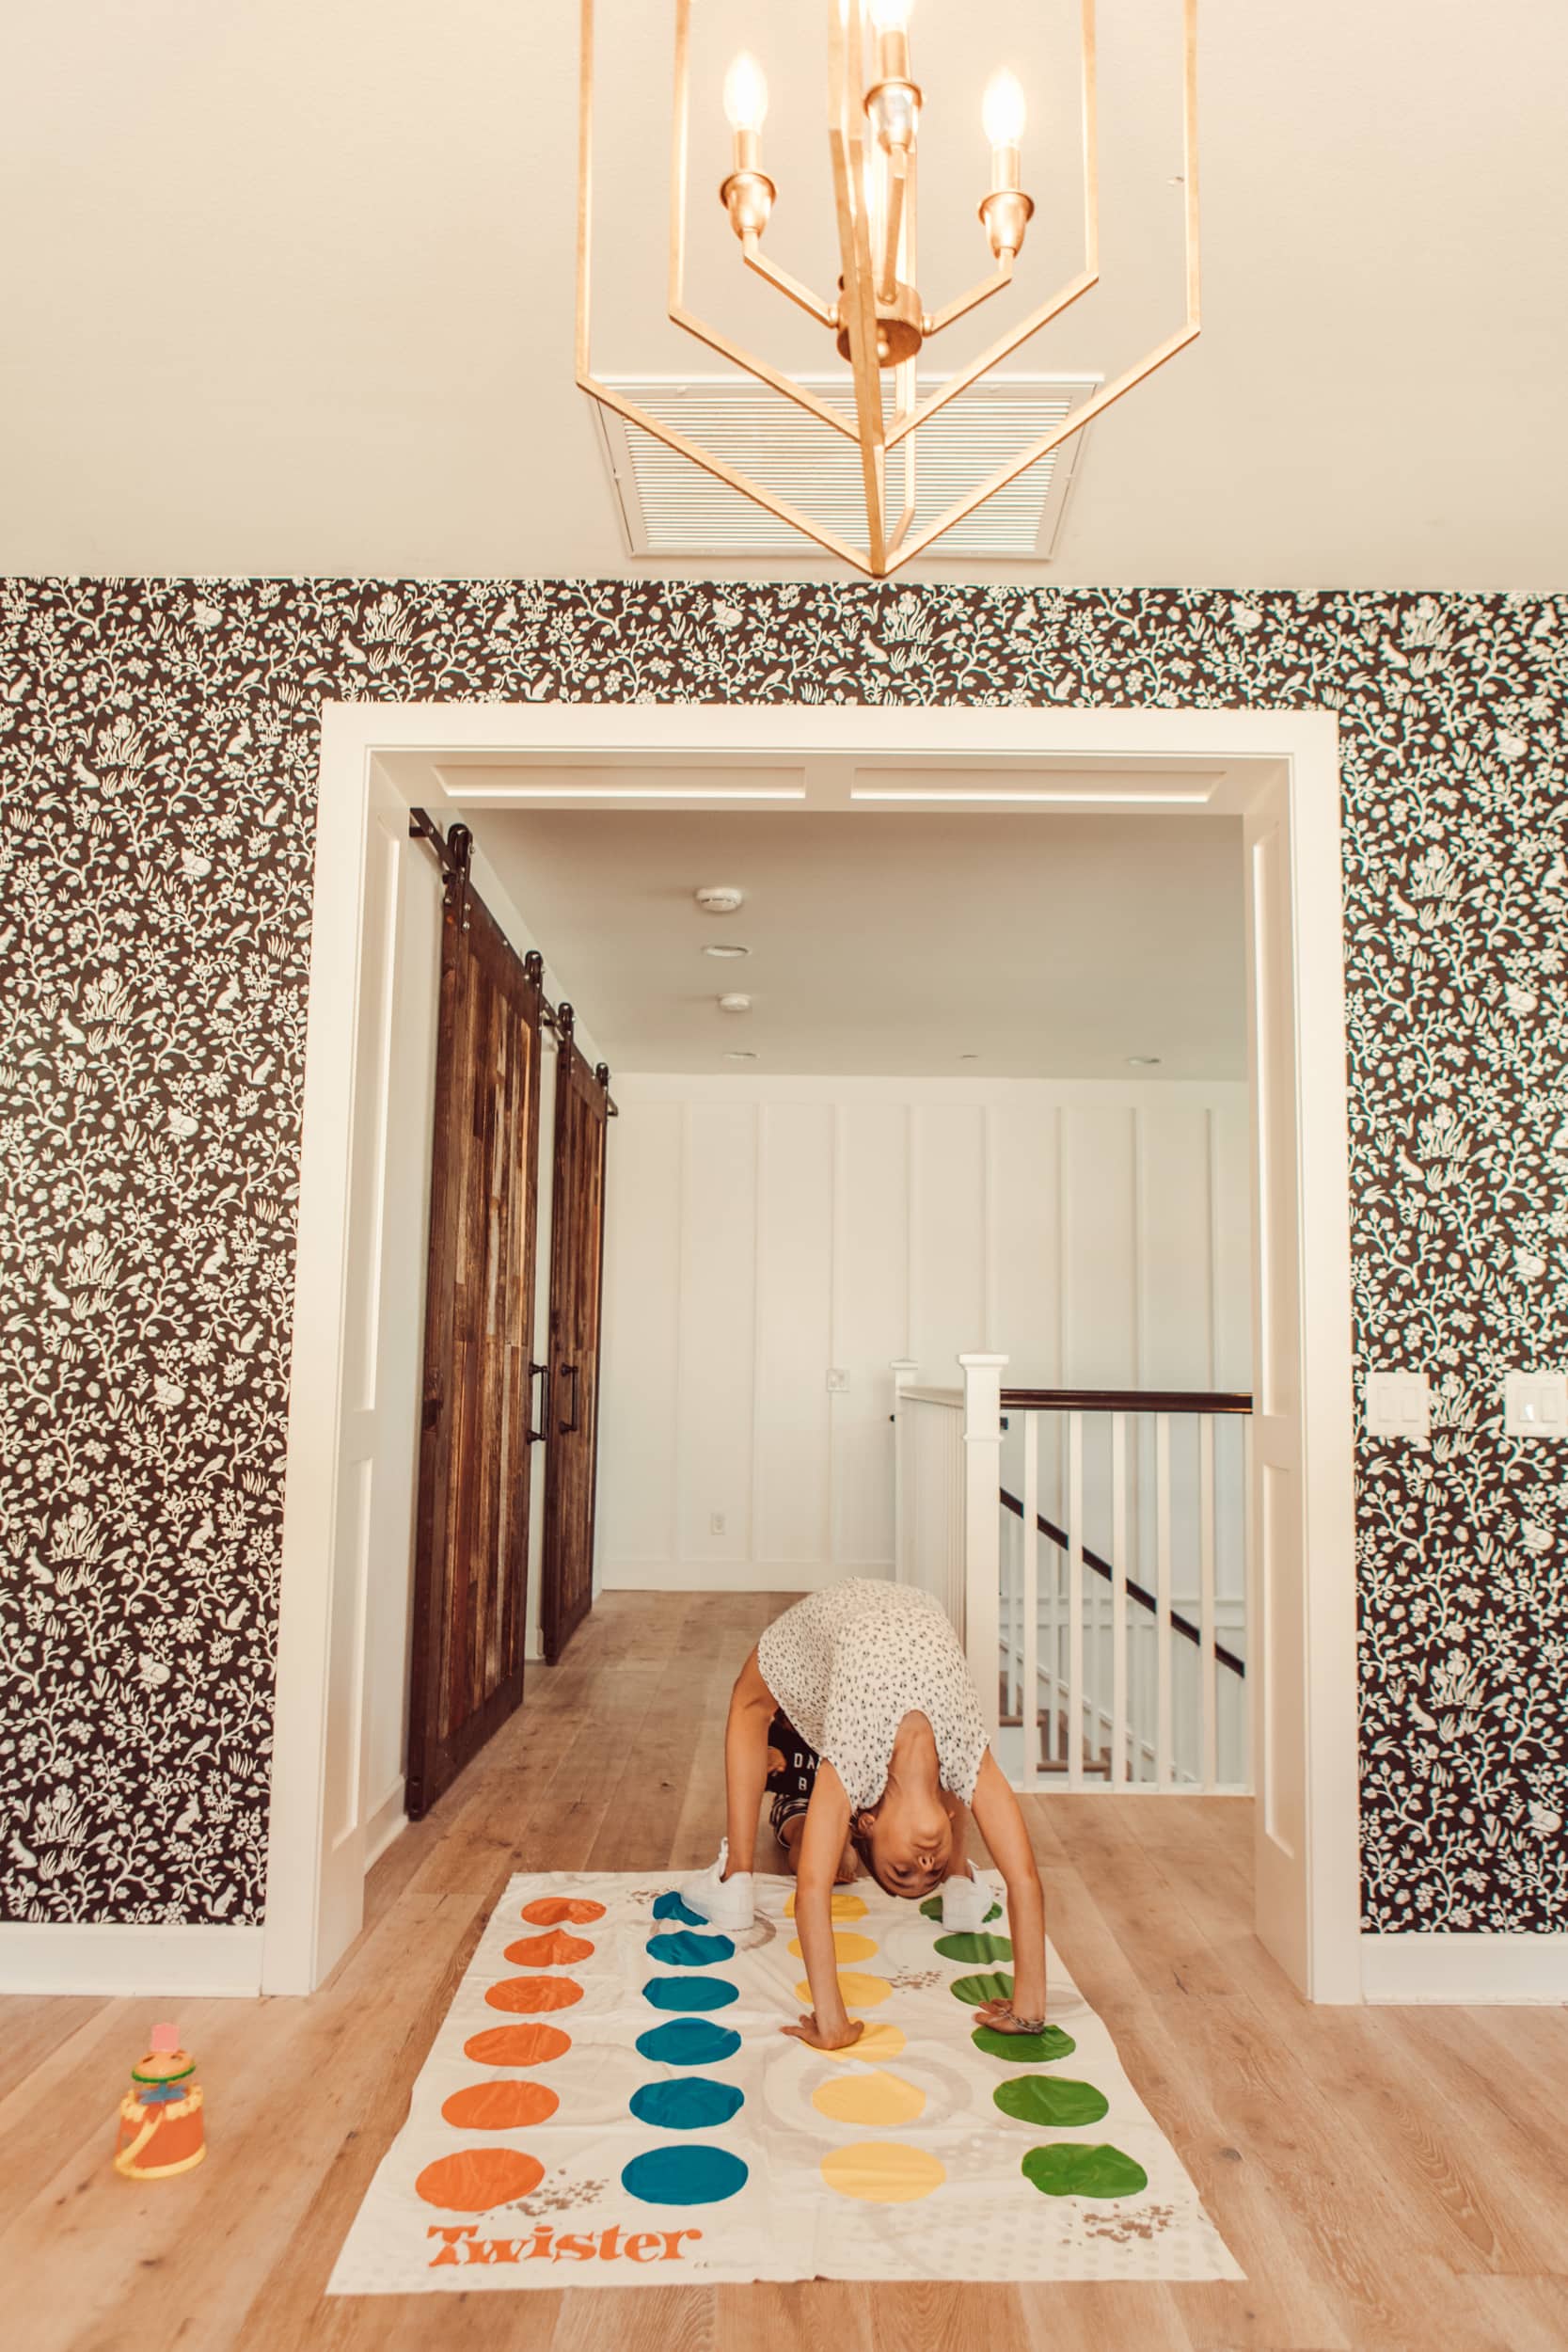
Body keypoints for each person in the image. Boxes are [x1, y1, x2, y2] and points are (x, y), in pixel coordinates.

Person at [679, 1580, 1048, 2053]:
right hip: (916, 1607)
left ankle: (736, 1879)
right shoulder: (966, 1758)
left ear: (866, 1823)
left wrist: (832, 2023)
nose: (925, 1862)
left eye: (904, 1870)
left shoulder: (852, 1763)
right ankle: (961, 1883)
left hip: (838, 1613)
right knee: (956, 1779)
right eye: (934, 1869)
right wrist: (1029, 2008)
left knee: (750, 1701)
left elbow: (811, 1889)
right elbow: (1024, 1878)